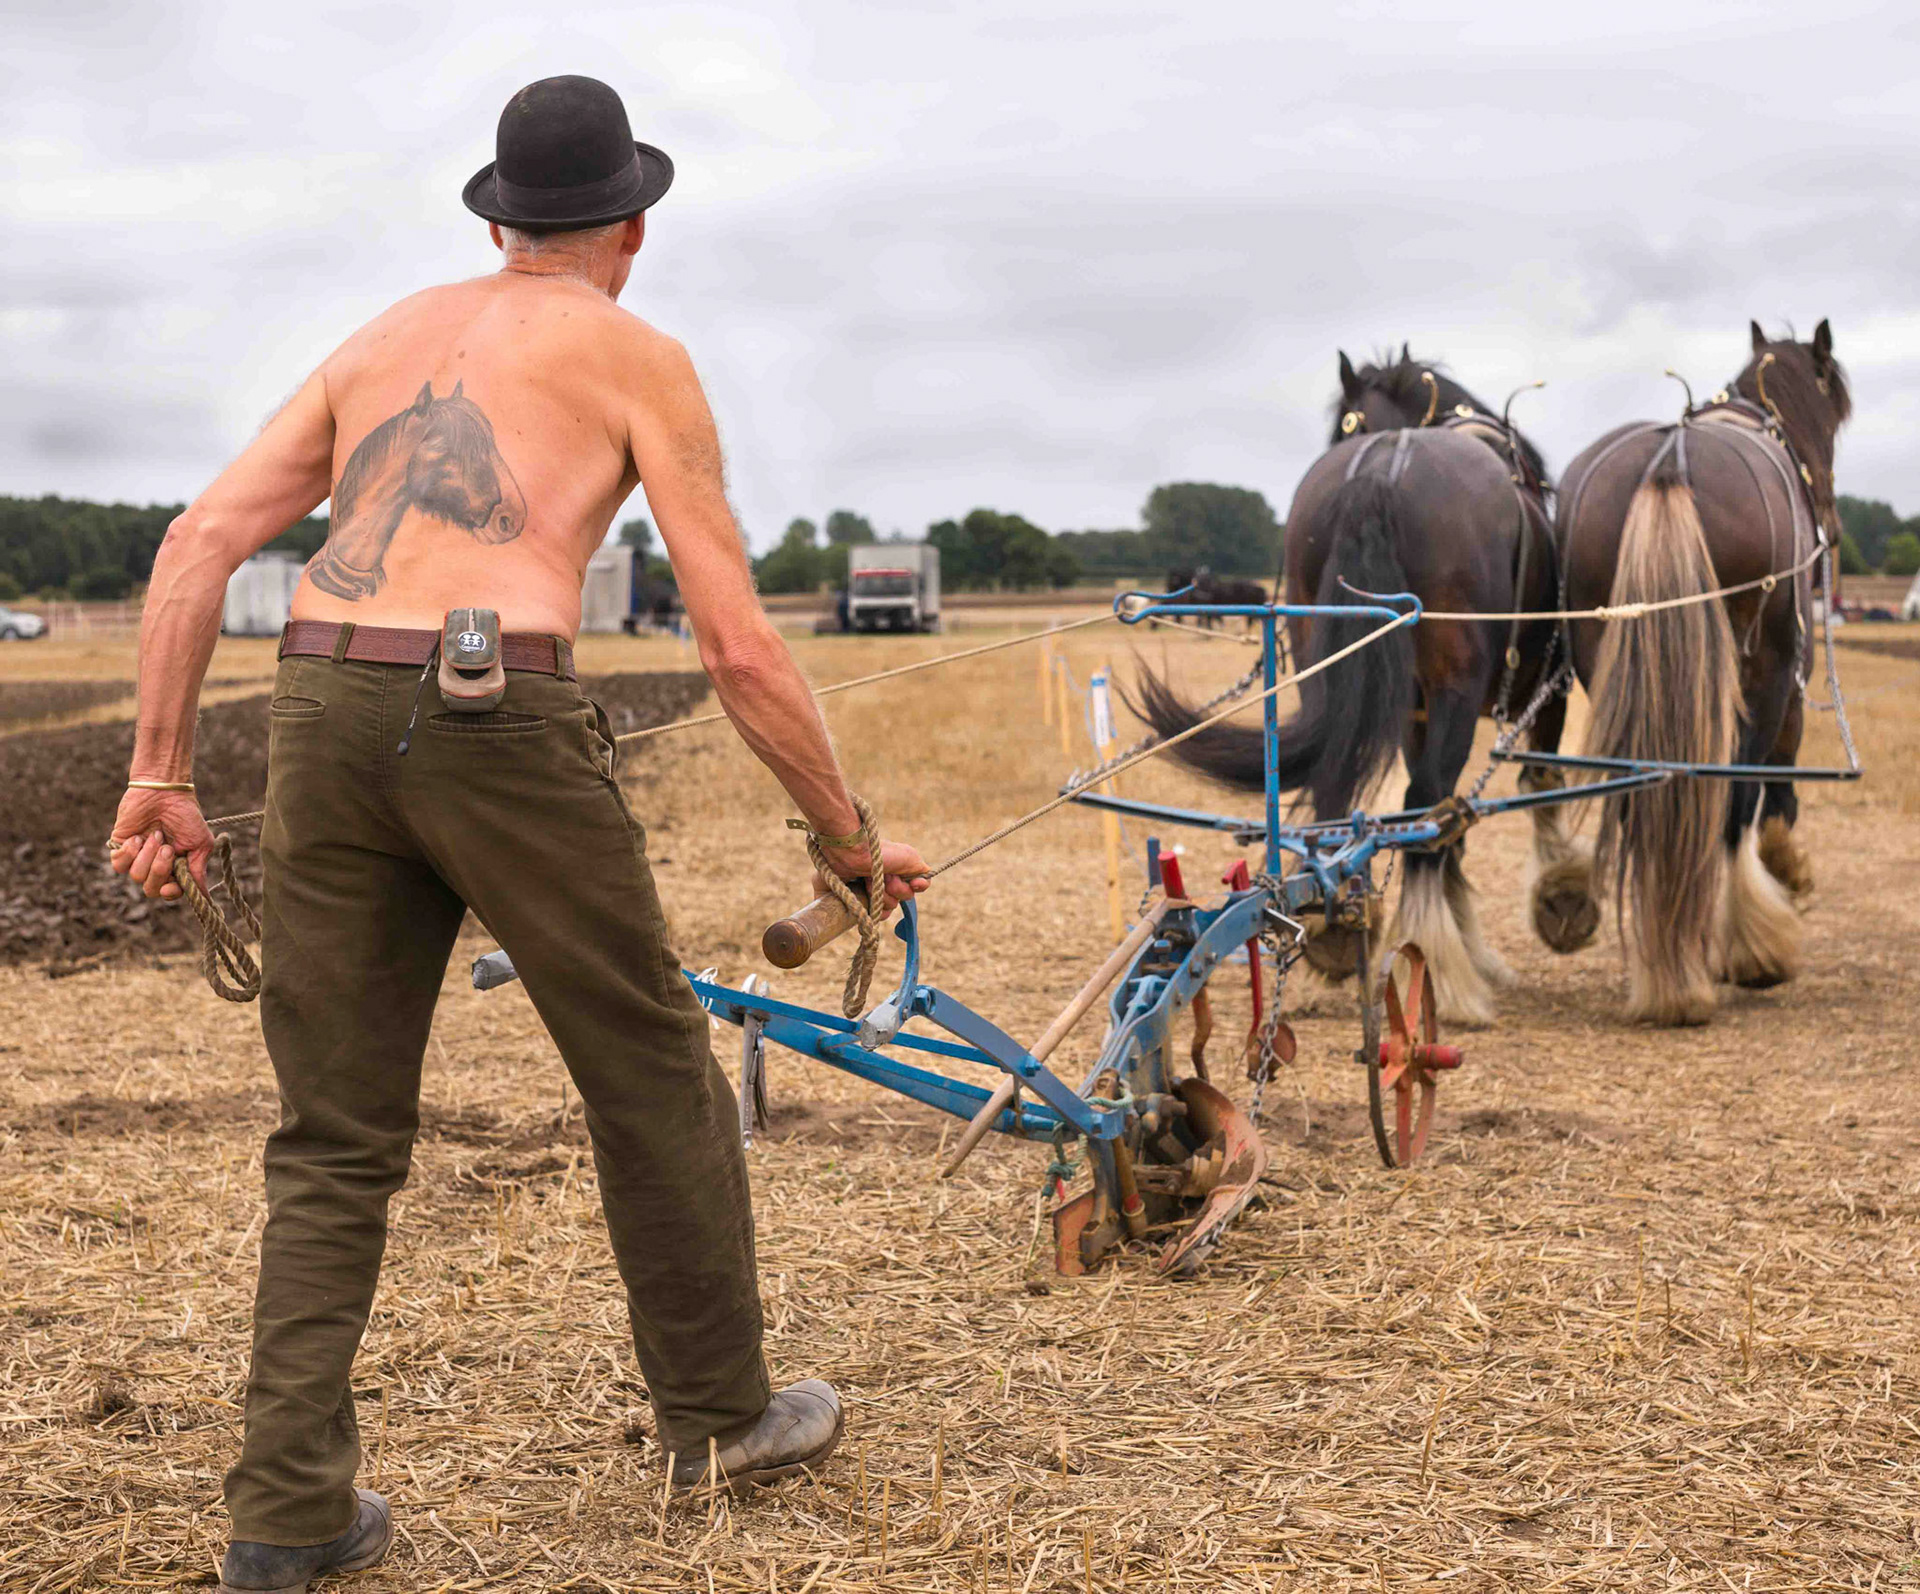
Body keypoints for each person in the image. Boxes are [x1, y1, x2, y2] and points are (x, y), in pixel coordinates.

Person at [109, 74, 929, 1594]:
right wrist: (847, 832)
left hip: (320, 702)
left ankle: (286, 1511)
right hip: (498, 707)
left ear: (500, 221)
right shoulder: (636, 355)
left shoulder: (380, 340)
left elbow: (197, 545)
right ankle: (719, 1416)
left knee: (334, 1134)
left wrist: (159, 769)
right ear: (631, 224)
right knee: (648, 1067)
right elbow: (741, 650)